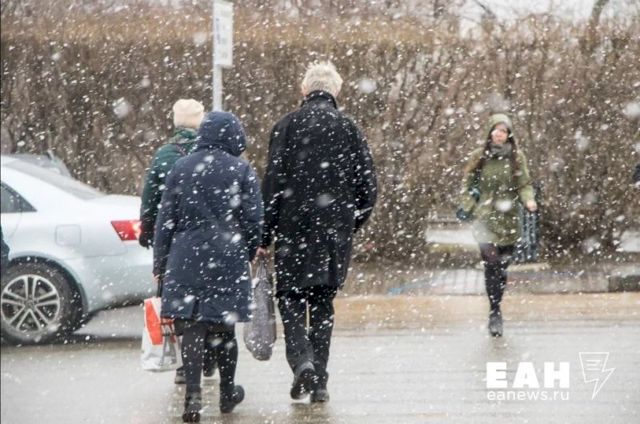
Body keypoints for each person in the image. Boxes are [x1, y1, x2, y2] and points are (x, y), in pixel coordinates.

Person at [258, 61, 377, 403]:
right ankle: (320, 382)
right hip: (333, 233)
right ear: (336, 91)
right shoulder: (349, 128)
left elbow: (273, 185)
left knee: (290, 298)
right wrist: (350, 222)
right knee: (323, 303)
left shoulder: (286, 126)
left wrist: (265, 235)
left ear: (304, 90)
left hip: (292, 230)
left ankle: (302, 362)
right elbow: (368, 188)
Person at [153, 111, 263, 421]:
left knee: (191, 325)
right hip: (227, 256)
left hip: (185, 256)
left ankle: (193, 396)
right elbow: (254, 219)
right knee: (224, 327)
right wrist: (248, 250)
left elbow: (165, 219)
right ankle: (227, 393)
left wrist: (160, 262)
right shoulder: (241, 169)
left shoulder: (181, 167)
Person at [139, 98, 215, 385]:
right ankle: (209, 353)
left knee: (180, 300)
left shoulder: (165, 155)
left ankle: (185, 363)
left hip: (174, 238)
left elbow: (151, 199)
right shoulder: (213, 153)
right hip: (211, 238)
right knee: (210, 295)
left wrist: (148, 230)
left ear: (175, 122)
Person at [457, 113, 537, 337]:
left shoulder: (516, 157)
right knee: (491, 263)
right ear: (489, 132)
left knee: (501, 267)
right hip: (485, 217)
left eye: (503, 131)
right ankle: (495, 312)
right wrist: (469, 206)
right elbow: (467, 184)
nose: (499, 134)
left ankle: (496, 301)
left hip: (508, 217)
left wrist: (529, 200)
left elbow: (524, 183)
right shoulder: (479, 156)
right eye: (496, 130)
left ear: (508, 134)